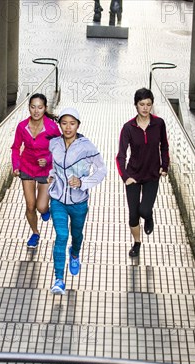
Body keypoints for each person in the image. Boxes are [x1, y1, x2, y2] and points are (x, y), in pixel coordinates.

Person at [47, 107, 107, 295]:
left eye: (72, 123)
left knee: (77, 235)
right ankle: (58, 279)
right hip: (58, 199)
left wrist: (83, 182)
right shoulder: (54, 144)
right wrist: (50, 175)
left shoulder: (87, 146)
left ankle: (75, 253)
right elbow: (53, 166)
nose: (68, 127)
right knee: (61, 236)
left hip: (79, 201)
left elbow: (102, 170)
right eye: (64, 123)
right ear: (60, 125)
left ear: (78, 125)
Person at [116, 88, 170, 258]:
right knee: (133, 214)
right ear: (136, 105)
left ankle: (149, 216)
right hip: (133, 175)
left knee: (145, 210)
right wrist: (125, 177)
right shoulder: (128, 128)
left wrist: (165, 166)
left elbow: (165, 146)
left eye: (148, 104)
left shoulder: (159, 123)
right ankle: (137, 243)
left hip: (152, 175)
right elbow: (121, 156)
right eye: (142, 104)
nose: (145, 108)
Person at [11, 93, 61, 249]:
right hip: (26, 168)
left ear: (45, 108)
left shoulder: (52, 127)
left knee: (41, 207)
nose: (36, 111)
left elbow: (60, 149)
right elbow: (15, 148)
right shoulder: (22, 126)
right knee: (30, 206)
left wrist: (48, 159)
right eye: (33, 107)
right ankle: (35, 233)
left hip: (45, 170)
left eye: (40, 107)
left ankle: (46, 210)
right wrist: (16, 165)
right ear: (29, 108)